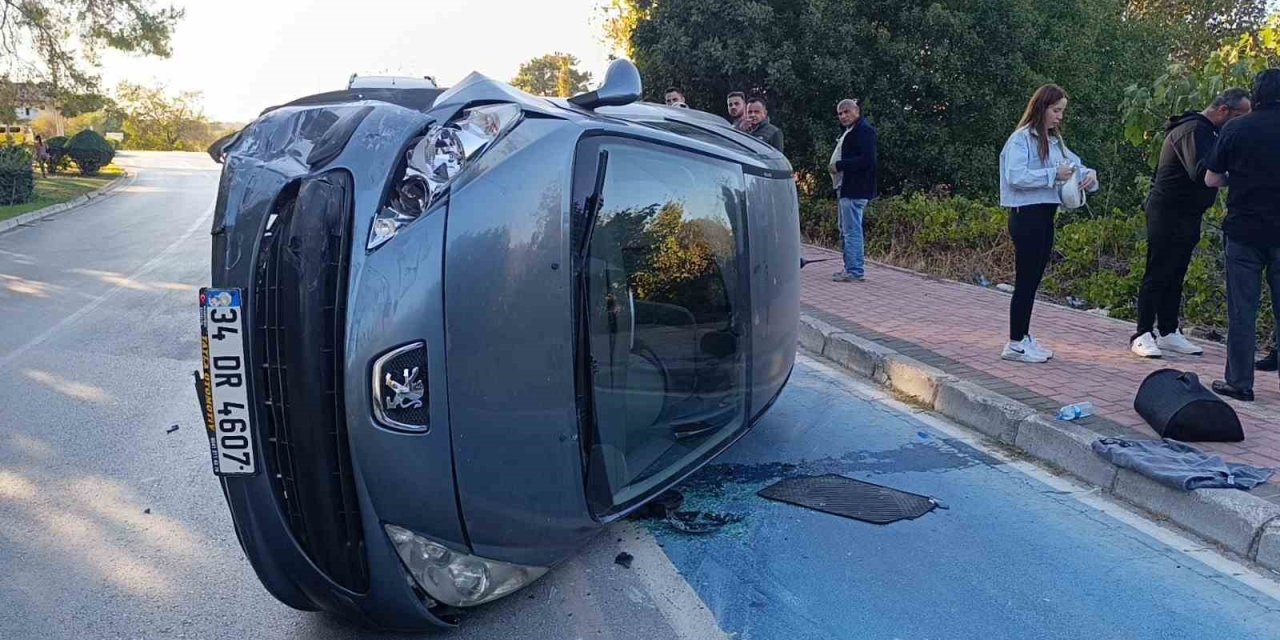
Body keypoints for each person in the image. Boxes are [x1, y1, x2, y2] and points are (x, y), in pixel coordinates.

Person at [1131, 88, 1252, 359]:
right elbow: (1200, 171)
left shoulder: (1211, 132)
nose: (1243, 121)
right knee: (1158, 269)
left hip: (1189, 212)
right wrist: (1240, 172)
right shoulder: (1193, 129)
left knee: (1177, 271)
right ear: (1223, 111)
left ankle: (1168, 330)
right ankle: (1141, 333)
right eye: (1240, 116)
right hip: (1167, 210)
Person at [998, 84, 1099, 363]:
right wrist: (1053, 174)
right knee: (1025, 280)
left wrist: (1089, 176)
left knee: (1034, 280)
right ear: (1041, 108)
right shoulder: (1021, 140)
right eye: (1056, 111)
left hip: (1045, 213)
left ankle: (1024, 336)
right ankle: (1015, 342)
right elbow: (1016, 176)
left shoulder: (1055, 142)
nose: (1059, 117)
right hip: (1025, 214)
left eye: (1062, 111)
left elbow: (1075, 165)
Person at [1205, 69, 1280, 402]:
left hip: (1244, 231)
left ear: (1257, 94)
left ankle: (1240, 383)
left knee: (1242, 310)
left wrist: (1241, 178)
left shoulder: (1237, 127)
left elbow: (1211, 179)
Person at [829, 98, 878, 283]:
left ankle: (855, 270)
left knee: (852, 231)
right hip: (846, 188)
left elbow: (867, 160)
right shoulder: (850, 132)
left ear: (856, 111)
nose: (843, 116)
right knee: (845, 230)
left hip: (856, 189)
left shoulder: (864, 131)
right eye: (840, 113)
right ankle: (849, 267)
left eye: (846, 112)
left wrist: (840, 165)